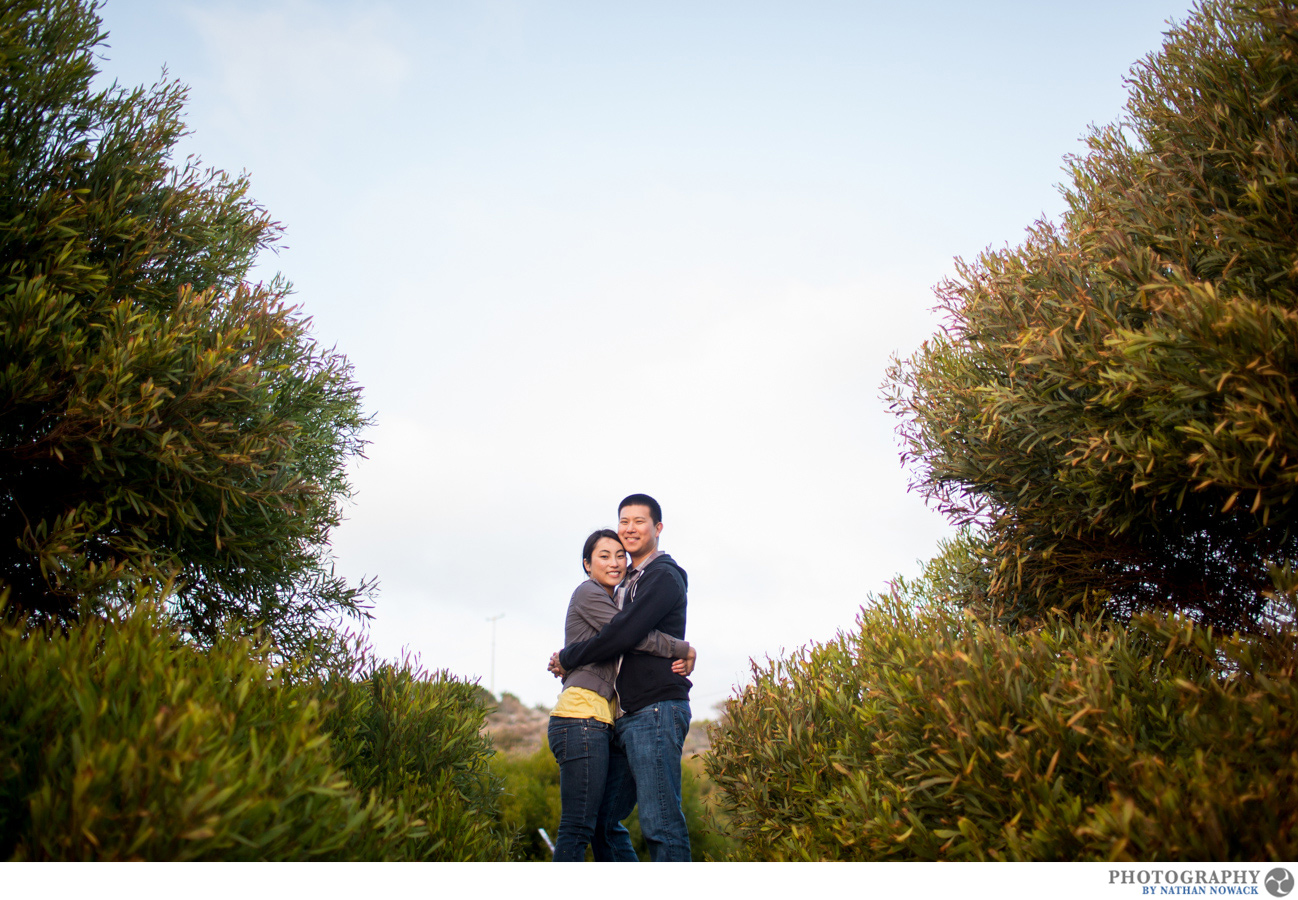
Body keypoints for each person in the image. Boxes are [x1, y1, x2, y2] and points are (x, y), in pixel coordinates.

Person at [549, 493, 694, 862]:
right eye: (624, 522)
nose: (630, 529)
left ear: (657, 528)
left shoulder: (662, 576)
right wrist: (681, 648)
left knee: (659, 823)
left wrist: (568, 656)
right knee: (600, 822)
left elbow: (622, 635)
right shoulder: (620, 586)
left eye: (639, 521)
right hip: (620, 718)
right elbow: (616, 634)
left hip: (654, 711)